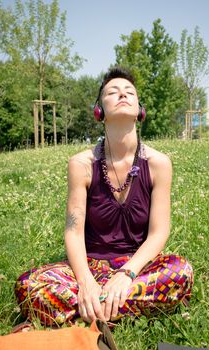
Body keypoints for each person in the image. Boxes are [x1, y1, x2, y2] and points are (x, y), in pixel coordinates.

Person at [15, 66, 193, 327]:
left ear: (139, 110)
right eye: (113, 92)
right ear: (99, 111)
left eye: (129, 92)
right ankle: (111, 306)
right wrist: (86, 281)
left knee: (181, 272)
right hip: (89, 266)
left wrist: (126, 274)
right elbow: (73, 232)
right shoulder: (81, 164)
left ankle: (87, 310)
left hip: (137, 267)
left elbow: (158, 233)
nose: (122, 95)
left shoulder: (159, 164)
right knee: (28, 285)